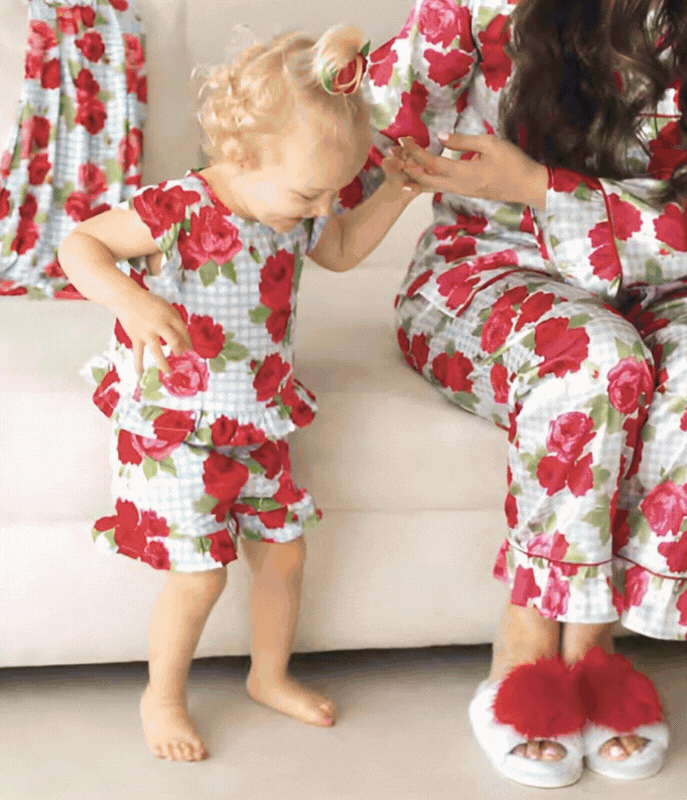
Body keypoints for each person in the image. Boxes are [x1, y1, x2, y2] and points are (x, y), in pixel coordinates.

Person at [337, 0, 687, 787]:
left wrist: (547, 187)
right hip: (485, 264)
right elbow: (380, 124)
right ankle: (529, 643)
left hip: (672, 277)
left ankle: (592, 642)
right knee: (595, 361)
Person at [58, 25, 419, 763]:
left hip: (257, 416)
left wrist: (399, 193)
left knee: (284, 555)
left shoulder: (296, 207)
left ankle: (269, 675)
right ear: (240, 156)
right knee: (199, 576)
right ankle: (161, 694)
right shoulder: (178, 207)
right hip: (176, 423)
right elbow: (80, 246)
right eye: (309, 192)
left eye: (333, 191)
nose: (321, 208)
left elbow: (343, 247)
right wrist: (129, 300)